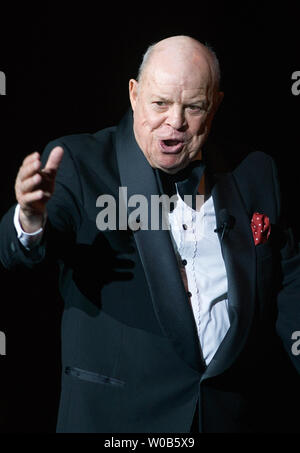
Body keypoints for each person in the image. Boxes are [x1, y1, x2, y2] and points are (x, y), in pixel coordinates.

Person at [0, 35, 299, 433]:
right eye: (160, 103)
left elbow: (290, 280)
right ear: (134, 94)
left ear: (215, 106)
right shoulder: (80, 163)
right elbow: (17, 253)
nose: (175, 121)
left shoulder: (254, 171)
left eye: (193, 107)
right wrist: (30, 219)